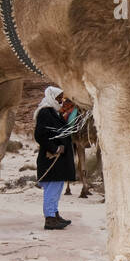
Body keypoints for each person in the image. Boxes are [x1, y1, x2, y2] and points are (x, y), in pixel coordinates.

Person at [34, 85, 76, 230]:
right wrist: (55, 148)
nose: (61, 101)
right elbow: (40, 135)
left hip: (59, 159)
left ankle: (54, 213)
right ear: (52, 97)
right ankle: (50, 218)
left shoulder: (54, 112)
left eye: (61, 98)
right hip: (51, 158)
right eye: (59, 98)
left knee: (56, 187)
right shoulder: (45, 112)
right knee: (52, 188)